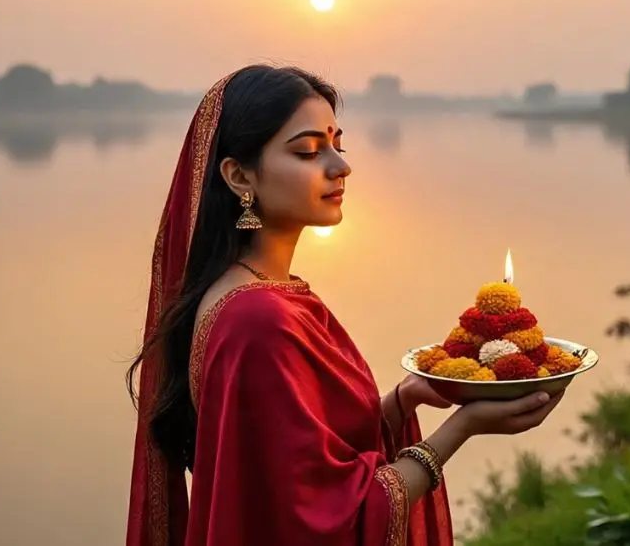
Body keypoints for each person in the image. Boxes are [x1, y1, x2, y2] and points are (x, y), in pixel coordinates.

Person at [124, 65, 565, 546]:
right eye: (309, 151)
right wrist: (462, 428)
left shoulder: (261, 293)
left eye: (338, 144)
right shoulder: (257, 320)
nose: (340, 165)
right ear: (238, 176)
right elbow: (329, 522)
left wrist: (404, 400)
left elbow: (298, 458)